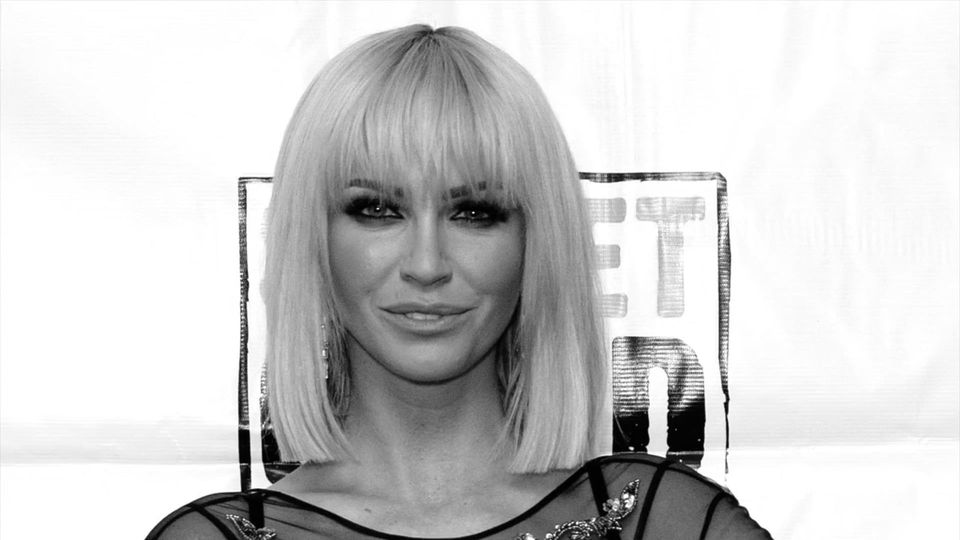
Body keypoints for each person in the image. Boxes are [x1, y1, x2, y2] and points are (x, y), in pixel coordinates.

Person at [147, 24, 770, 540]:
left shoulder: (666, 524)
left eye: (474, 212)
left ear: (536, 240)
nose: (426, 263)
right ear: (313, 238)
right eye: (377, 209)